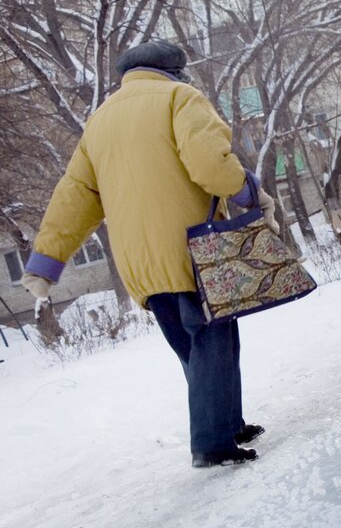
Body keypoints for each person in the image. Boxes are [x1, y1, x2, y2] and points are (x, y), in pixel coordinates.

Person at [20, 40, 276, 469]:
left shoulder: (99, 121)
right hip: (193, 248)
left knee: (196, 344)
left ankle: (227, 421)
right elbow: (211, 165)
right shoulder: (180, 98)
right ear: (175, 71)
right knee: (211, 339)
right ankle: (213, 444)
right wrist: (250, 192)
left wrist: (47, 261)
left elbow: (75, 196)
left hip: (140, 262)